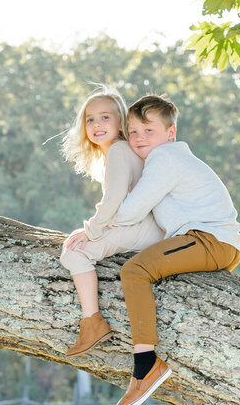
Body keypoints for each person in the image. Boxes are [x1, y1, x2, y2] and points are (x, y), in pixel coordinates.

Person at [108, 94, 240, 405]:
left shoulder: (165, 158)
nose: (139, 138)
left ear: (171, 133)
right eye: (134, 131)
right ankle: (194, 385)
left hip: (208, 240)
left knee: (134, 272)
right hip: (213, 244)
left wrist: (103, 220)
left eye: (148, 130)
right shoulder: (169, 159)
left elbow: (129, 213)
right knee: (170, 298)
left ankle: (145, 366)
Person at [58, 87, 165, 356]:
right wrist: (92, 228)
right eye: (90, 119)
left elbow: (115, 198)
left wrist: (92, 231)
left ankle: (92, 322)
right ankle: (92, 323)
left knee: (74, 254)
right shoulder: (118, 152)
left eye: (105, 117)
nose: (97, 124)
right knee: (75, 242)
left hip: (144, 228)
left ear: (121, 122)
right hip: (141, 226)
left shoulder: (118, 150)